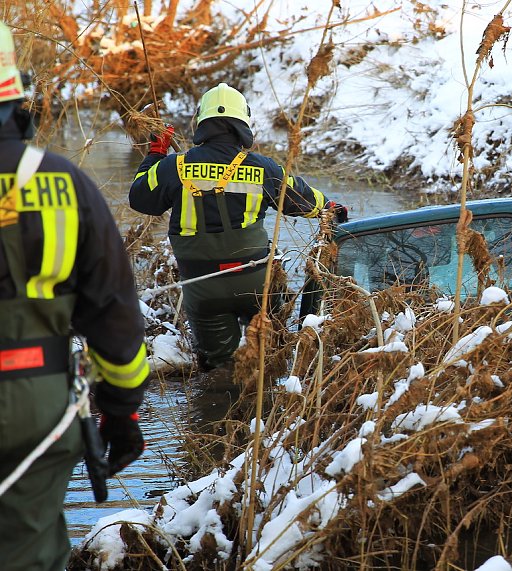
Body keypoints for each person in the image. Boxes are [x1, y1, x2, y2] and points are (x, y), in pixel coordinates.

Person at [0, 22, 149, 570]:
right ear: (17, 97)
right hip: (39, 403)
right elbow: (115, 319)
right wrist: (122, 411)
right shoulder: (69, 187)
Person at [129, 83, 347, 371]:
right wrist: (330, 208)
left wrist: (155, 154)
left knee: (220, 369)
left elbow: (140, 198)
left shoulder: (173, 166)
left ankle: (217, 403)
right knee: (269, 358)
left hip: (202, 286)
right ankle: (273, 402)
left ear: (201, 122)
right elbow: (304, 201)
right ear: (242, 124)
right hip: (255, 282)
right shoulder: (264, 168)